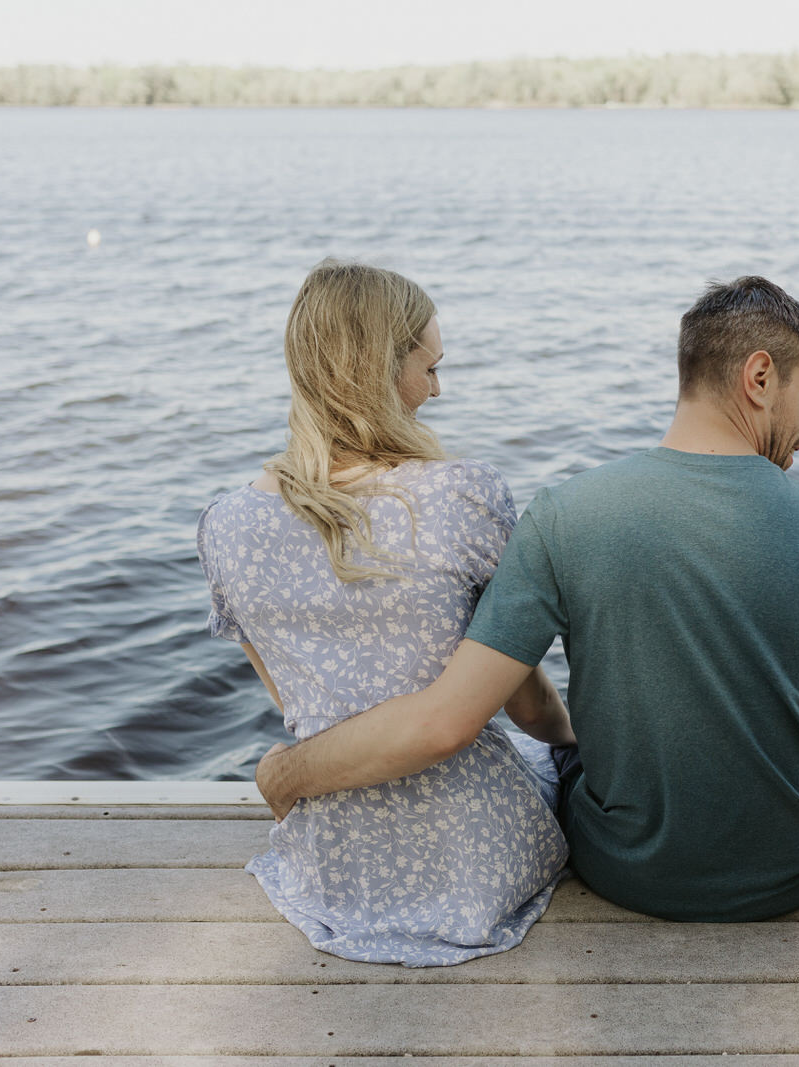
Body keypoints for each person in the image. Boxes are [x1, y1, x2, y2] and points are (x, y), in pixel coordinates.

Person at [256, 276, 799, 922]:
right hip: (793, 872)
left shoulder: (562, 515)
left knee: (560, 752)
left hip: (629, 871)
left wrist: (288, 773)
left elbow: (452, 716)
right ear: (760, 377)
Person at [197, 259, 572, 965]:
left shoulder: (226, 526)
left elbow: (306, 714)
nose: (437, 387)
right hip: (477, 866)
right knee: (553, 758)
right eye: (429, 366)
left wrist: (283, 774)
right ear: (379, 369)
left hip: (333, 870)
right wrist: (572, 737)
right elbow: (525, 703)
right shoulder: (464, 496)